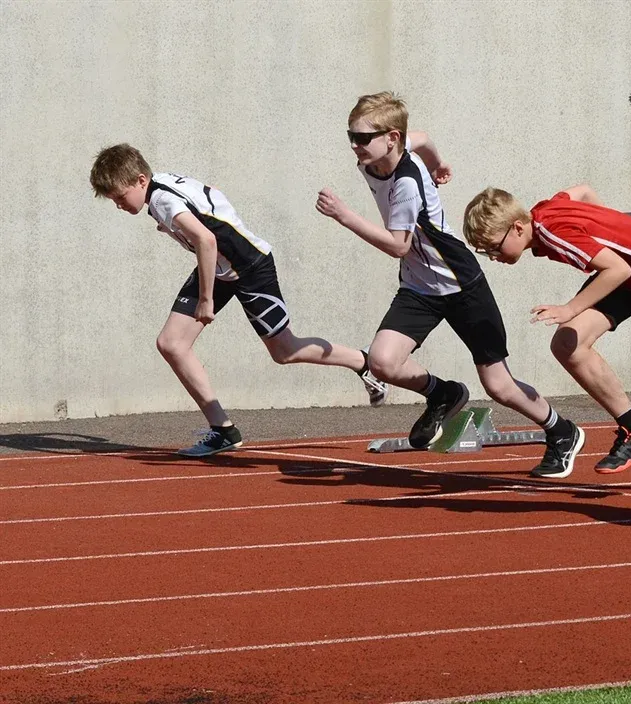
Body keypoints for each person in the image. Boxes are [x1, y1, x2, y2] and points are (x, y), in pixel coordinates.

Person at [314, 92, 583, 478]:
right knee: (382, 361)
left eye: (362, 138)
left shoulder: (405, 184)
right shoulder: (380, 156)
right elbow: (420, 138)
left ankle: (562, 431)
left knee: (498, 385)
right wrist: (439, 163)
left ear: (391, 138)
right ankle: (442, 393)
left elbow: (397, 244)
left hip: (460, 284)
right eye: (351, 137)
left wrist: (344, 215)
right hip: (419, 287)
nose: (355, 146)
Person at [90, 144, 388, 457]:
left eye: (120, 197)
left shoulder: (162, 198)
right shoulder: (164, 183)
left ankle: (362, 361)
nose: (119, 206)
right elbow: (212, 193)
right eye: (113, 200)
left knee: (284, 351)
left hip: (250, 267)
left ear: (140, 180)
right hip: (221, 268)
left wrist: (206, 298)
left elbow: (207, 239)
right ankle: (222, 429)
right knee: (171, 343)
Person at [463, 185, 631, 474]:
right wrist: (612, 231)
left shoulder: (552, 231)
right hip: (629, 280)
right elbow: (584, 192)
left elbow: (618, 270)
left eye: (494, 247)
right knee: (568, 344)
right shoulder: (545, 210)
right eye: (485, 251)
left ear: (516, 227)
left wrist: (571, 308)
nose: (493, 257)